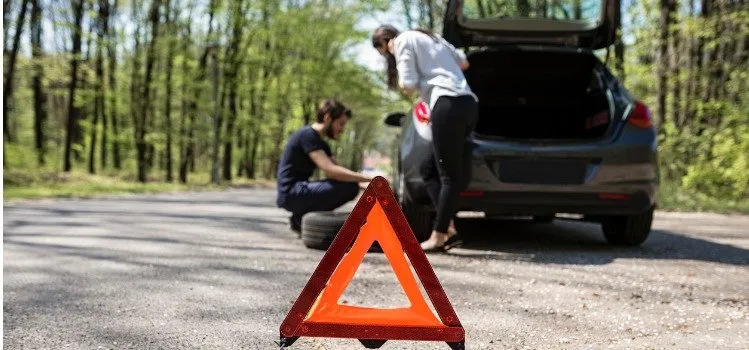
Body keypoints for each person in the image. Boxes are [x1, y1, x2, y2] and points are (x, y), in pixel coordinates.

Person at [372, 25, 478, 252]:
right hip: (468, 104)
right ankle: (448, 227)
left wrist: (417, 79)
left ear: (385, 43)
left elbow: (408, 85)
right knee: (428, 169)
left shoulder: (401, 42)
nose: (388, 56)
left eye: (384, 53)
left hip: (446, 103)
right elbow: (464, 63)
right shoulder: (432, 36)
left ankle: (439, 236)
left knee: (448, 175)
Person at [276, 99, 373, 232]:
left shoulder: (321, 143)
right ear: (327, 118)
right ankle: (301, 217)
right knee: (349, 188)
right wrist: (371, 179)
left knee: (350, 185)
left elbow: (342, 173)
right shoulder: (307, 136)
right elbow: (332, 171)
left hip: (298, 191)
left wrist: (375, 187)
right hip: (291, 193)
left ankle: (299, 217)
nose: (342, 130)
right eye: (341, 124)